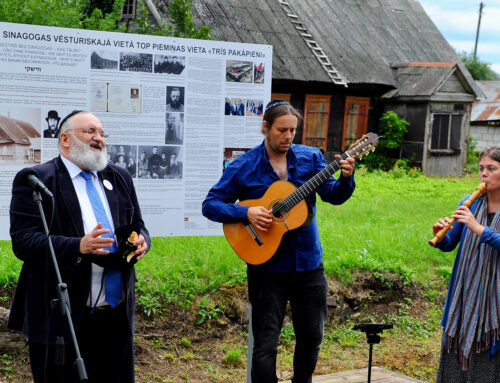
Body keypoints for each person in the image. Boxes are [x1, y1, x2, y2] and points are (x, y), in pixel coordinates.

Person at [202, 99, 355, 383]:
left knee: (312, 337)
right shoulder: (245, 165)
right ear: (265, 128)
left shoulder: (310, 158)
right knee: (265, 345)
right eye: (282, 130)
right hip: (267, 268)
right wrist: (245, 212)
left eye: (293, 131)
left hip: (308, 264)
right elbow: (210, 204)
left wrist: (346, 178)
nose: (287, 136)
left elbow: (333, 195)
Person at [8, 110, 150, 383]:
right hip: (63, 319)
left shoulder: (119, 178)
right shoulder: (37, 181)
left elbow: (138, 225)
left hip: (115, 317)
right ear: (65, 139)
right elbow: (24, 242)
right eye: (90, 132)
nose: (98, 138)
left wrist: (143, 240)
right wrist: (78, 246)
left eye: (101, 133)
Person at [433, 146, 500, 382]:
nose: (484, 174)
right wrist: (441, 234)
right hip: (465, 296)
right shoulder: (470, 202)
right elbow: (450, 243)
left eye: (491, 168)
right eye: (481, 168)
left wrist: (480, 229)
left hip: (495, 302)